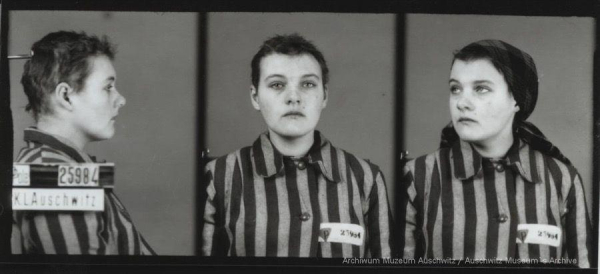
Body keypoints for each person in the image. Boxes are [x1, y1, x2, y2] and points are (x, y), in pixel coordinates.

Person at [398, 40, 591, 267]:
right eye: (455, 88)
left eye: (481, 88)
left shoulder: (562, 179)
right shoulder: (418, 177)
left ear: (516, 99)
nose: (462, 103)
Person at [201, 33, 395, 257]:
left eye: (308, 84)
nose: (294, 97)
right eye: (277, 84)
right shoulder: (218, 177)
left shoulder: (366, 178)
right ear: (255, 97)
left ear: (324, 96)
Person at [11, 31, 155, 255]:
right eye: (108, 87)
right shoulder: (54, 174)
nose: (121, 100)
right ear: (66, 96)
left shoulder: (55, 166)